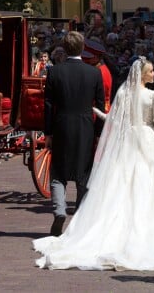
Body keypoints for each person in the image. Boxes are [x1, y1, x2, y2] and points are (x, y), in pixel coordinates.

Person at [33, 57, 154, 270]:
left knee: (121, 181)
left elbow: (116, 120)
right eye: (151, 72)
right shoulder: (152, 95)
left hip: (128, 141)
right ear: (143, 74)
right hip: (149, 140)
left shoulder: (123, 94)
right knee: (151, 181)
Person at [44, 31, 105, 236]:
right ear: (82, 49)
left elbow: (48, 105)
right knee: (84, 174)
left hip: (62, 124)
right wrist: (98, 133)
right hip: (86, 126)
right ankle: (79, 216)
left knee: (58, 173)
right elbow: (99, 107)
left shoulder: (54, 72)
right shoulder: (94, 73)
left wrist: (48, 132)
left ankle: (59, 211)